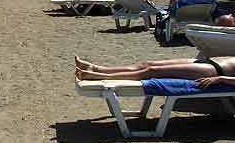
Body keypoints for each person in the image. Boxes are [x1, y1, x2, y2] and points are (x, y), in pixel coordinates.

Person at [75, 55, 235, 88]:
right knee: (147, 63)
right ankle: (97, 68)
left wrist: (220, 79)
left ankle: (96, 76)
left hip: (214, 70)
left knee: (151, 71)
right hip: (208, 60)